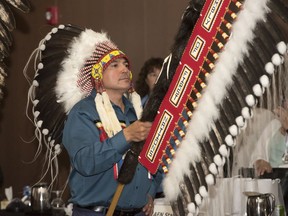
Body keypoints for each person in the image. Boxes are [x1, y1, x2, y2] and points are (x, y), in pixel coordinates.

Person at [61, 29, 163, 216]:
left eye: (125, 64)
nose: (124, 69)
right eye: (114, 65)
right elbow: (85, 162)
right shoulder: (83, 113)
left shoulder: (139, 112)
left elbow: (155, 159)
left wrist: (150, 190)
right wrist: (125, 136)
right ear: (97, 74)